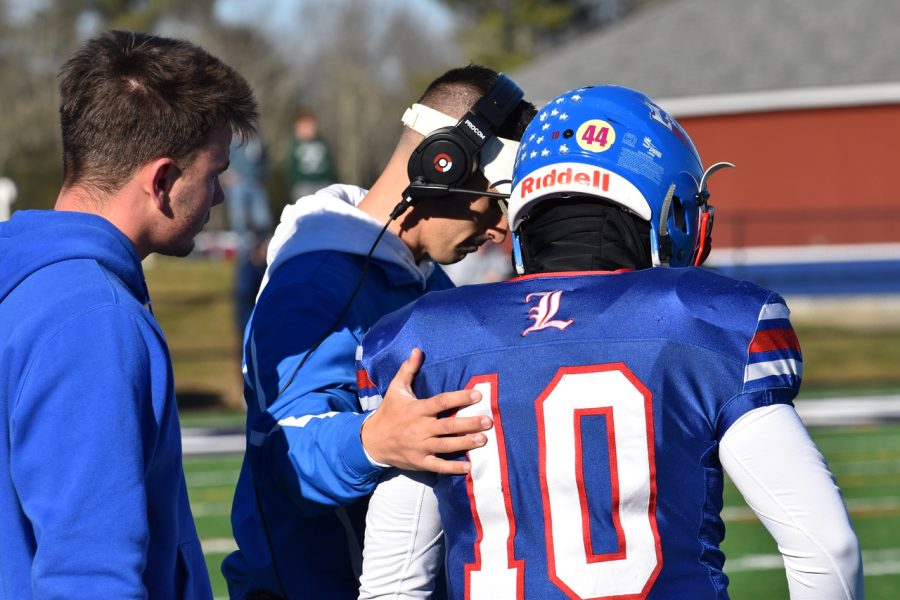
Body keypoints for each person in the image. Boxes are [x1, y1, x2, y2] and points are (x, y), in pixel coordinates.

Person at [357, 85, 863, 599]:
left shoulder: (427, 341)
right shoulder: (699, 321)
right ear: (667, 207)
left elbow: (392, 584)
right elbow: (827, 546)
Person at [222, 65, 536, 599]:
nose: (502, 226)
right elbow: (283, 449)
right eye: (497, 198)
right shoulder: (317, 282)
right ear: (443, 164)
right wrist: (375, 441)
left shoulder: (423, 278)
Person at [0, 30, 258, 598]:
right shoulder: (92, 319)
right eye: (212, 175)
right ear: (163, 181)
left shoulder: (27, 286)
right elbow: (89, 575)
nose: (216, 198)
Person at [223, 134, 273, 238]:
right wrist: (227, 174)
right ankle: (242, 247)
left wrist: (264, 175)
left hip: (256, 182)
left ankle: (262, 244)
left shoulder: (259, 141)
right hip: (238, 184)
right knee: (239, 218)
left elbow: (265, 161)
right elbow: (225, 159)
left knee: (262, 217)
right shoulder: (232, 142)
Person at [286, 109, 336, 201]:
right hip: (303, 184)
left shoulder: (322, 143)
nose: (308, 130)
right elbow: (291, 167)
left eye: (311, 126)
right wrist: (293, 182)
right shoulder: (296, 146)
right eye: (304, 127)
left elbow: (330, 164)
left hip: (323, 182)